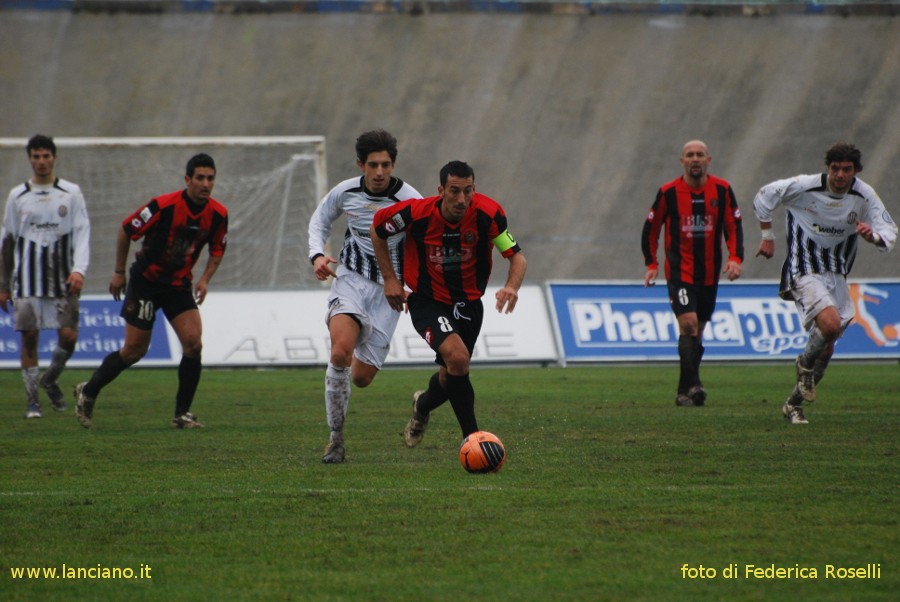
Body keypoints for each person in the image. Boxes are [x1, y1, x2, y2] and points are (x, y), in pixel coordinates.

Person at [370, 160, 526, 448]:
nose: (461, 199)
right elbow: (378, 230)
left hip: (469, 304)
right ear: (440, 190)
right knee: (458, 358)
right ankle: (474, 439)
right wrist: (390, 280)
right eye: (454, 191)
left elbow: (516, 256)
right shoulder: (415, 214)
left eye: (467, 191)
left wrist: (511, 287)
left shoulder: (488, 215)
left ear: (474, 189)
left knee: (451, 374)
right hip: (427, 302)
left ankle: (423, 406)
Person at [74, 153, 228, 429]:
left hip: (178, 286)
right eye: (200, 178)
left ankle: (182, 414)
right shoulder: (163, 206)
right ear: (188, 180)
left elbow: (217, 249)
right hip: (146, 282)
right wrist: (119, 271)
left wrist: (204, 279)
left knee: (193, 344)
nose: (206, 184)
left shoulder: (218, 214)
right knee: (133, 351)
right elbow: (126, 229)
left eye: (211, 178)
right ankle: (89, 390)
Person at [753, 142, 896, 424]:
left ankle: (793, 404)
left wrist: (873, 237)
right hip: (803, 268)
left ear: (856, 171)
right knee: (829, 325)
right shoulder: (805, 186)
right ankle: (804, 363)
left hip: (837, 274)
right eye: (835, 169)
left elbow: (888, 230)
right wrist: (767, 237)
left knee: (827, 347)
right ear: (827, 168)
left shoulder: (864, 195)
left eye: (846, 170)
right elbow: (764, 195)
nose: (840, 175)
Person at [307, 129, 422, 464]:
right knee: (340, 352)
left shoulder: (412, 200)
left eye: (386, 165)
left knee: (361, 378)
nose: (379, 172)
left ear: (393, 164)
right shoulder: (346, 192)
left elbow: (424, 243)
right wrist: (317, 255)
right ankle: (336, 440)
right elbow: (319, 222)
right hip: (351, 280)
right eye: (373, 165)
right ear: (361, 164)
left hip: (390, 295)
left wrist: (410, 285)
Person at [641, 140, 744, 407]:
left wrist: (735, 258)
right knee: (687, 324)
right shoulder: (668, 193)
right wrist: (651, 263)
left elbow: (733, 227)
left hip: (709, 276)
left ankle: (683, 391)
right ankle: (696, 384)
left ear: (709, 159)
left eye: (700, 155)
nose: (695, 159)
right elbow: (650, 230)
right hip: (679, 273)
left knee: (696, 333)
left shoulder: (722, 190)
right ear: (682, 161)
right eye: (690, 155)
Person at [0, 134, 91, 419]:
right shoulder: (17, 196)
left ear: (54, 157)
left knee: (69, 336)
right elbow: (8, 241)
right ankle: (32, 401)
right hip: (27, 281)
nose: (41, 161)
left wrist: (79, 269)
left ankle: (50, 378)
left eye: (46, 156)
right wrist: (3, 285)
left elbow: (82, 232)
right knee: (29, 338)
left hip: (63, 279)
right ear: (30, 159)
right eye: (36, 156)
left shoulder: (71, 193)